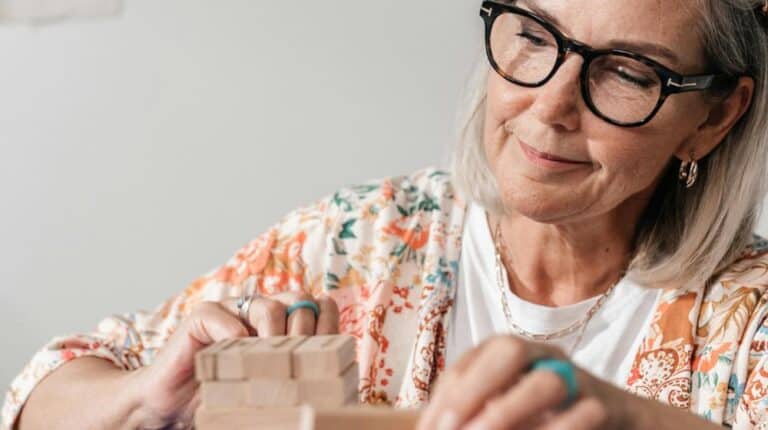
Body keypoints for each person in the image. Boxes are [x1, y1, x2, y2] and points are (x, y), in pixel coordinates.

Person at [5, 0, 768, 428]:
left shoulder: (751, 320)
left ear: (713, 118)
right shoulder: (363, 241)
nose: (551, 104)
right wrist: (142, 400)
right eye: (534, 37)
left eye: (629, 72)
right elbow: (38, 393)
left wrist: (632, 425)